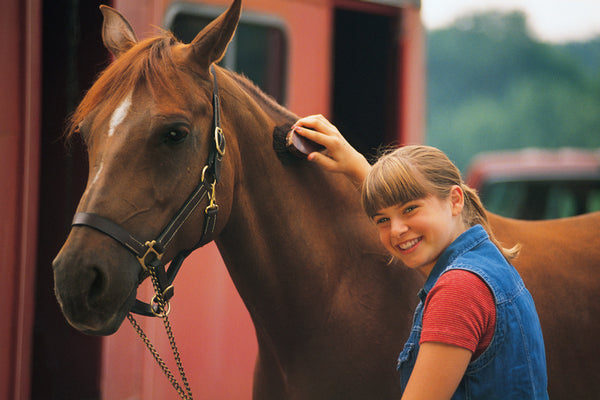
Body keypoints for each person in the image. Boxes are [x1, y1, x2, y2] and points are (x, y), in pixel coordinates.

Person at [292, 115, 549, 400]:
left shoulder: (459, 290)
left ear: (455, 200)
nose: (396, 230)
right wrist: (359, 170)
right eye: (381, 220)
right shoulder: (486, 263)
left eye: (410, 209)